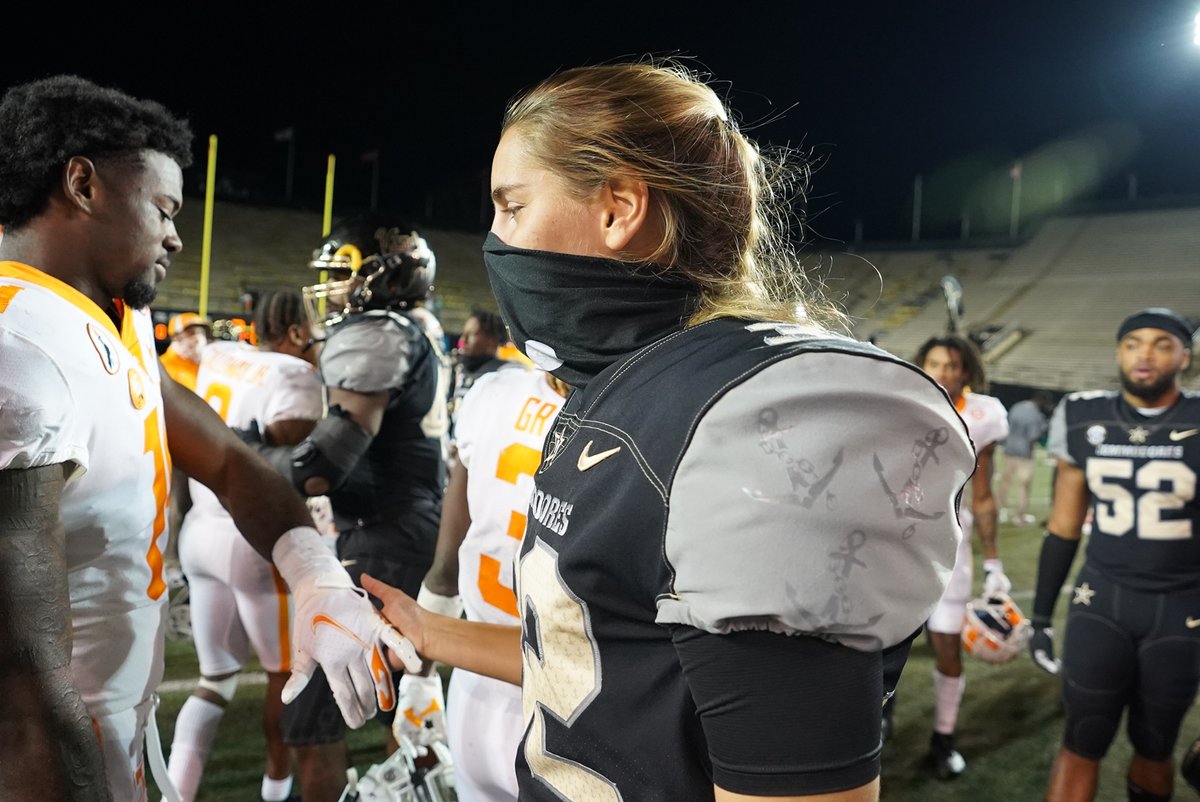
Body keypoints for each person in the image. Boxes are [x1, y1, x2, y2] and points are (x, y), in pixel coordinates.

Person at [359, 60, 976, 802]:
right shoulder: (629, 385)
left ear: (619, 208)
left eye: (512, 206)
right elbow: (617, 659)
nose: (495, 237)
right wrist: (433, 633)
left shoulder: (751, 420)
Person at [0, 75, 412, 802]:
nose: (176, 234)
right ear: (82, 183)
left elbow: (226, 458)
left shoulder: (97, 321)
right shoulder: (20, 352)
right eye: (163, 208)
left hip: (110, 733)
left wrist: (315, 576)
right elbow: (21, 693)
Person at [244, 216, 450, 802]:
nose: (328, 287)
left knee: (309, 724)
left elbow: (319, 468)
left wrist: (242, 451)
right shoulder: (417, 328)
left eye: (339, 273)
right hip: (405, 530)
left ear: (377, 275)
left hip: (383, 539)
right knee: (404, 713)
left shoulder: (379, 333)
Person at [1030, 307, 1200, 802]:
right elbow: (1063, 525)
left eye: (1161, 344)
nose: (1144, 353)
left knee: (1156, 745)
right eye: (1132, 343)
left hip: (1182, 608)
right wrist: (1041, 615)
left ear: (1184, 356)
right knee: (1082, 739)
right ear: (1119, 352)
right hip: (1101, 601)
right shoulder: (1085, 415)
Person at [166, 288, 323, 802]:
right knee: (285, 676)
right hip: (253, 540)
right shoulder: (298, 376)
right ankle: (274, 794)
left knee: (214, 679)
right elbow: (294, 461)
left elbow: (194, 353)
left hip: (199, 534)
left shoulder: (221, 354)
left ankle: (176, 794)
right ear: (298, 331)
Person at [418, 364, 569, 801]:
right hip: (570, 713)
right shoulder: (632, 406)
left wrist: (420, 676)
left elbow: (446, 565)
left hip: (472, 692)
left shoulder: (494, 391)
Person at [903, 334, 1010, 779]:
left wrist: (994, 563)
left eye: (951, 365)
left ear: (965, 369)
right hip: (896, 541)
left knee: (947, 645)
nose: (942, 372)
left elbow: (982, 496)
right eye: (934, 363)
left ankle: (943, 737)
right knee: (880, 644)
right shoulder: (904, 399)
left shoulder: (985, 414)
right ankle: (882, 717)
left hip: (952, 544)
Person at [998, 390, 1053, 526]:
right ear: (1041, 401)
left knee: (1005, 481)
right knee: (1024, 485)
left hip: (1009, 448)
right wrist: (1030, 453)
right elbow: (1033, 438)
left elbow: (1007, 426)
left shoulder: (1016, 407)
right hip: (1024, 453)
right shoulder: (1035, 415)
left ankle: (998, 511)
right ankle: (1020, 516)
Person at [160, 311, 212, 390]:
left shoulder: (207, 366)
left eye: (201, 333)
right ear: (175, 337)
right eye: (191, 333)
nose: (198, 338)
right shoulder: (162, 367)